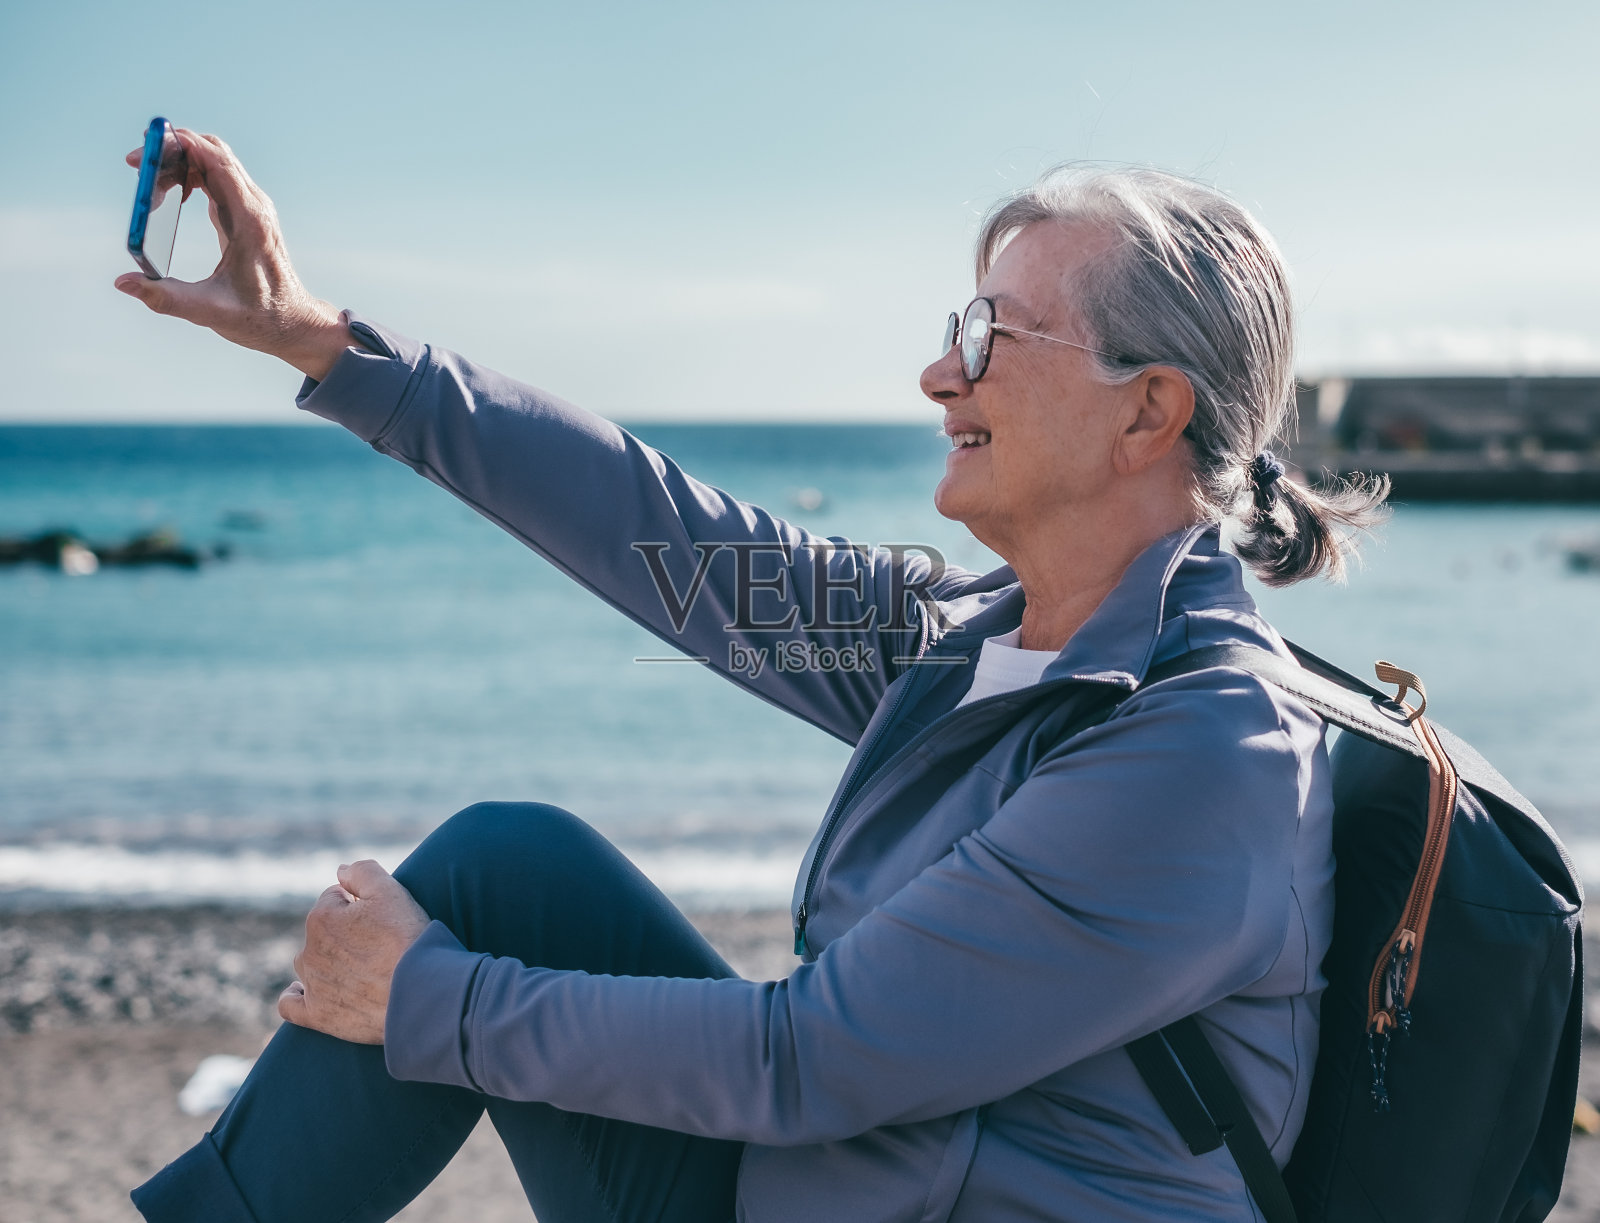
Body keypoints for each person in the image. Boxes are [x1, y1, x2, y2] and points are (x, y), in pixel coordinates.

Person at [118, 131, 1386, 1223]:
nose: (941, 372)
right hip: (836, 1186)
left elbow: (815, 1059)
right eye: (960, 328)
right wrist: (320, 339)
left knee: (460, 944)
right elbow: (665, 534)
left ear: (1147, 411)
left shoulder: (1201, 750)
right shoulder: (988, 639)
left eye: (991, 334)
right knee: (512, 867)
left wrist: (426, 998)